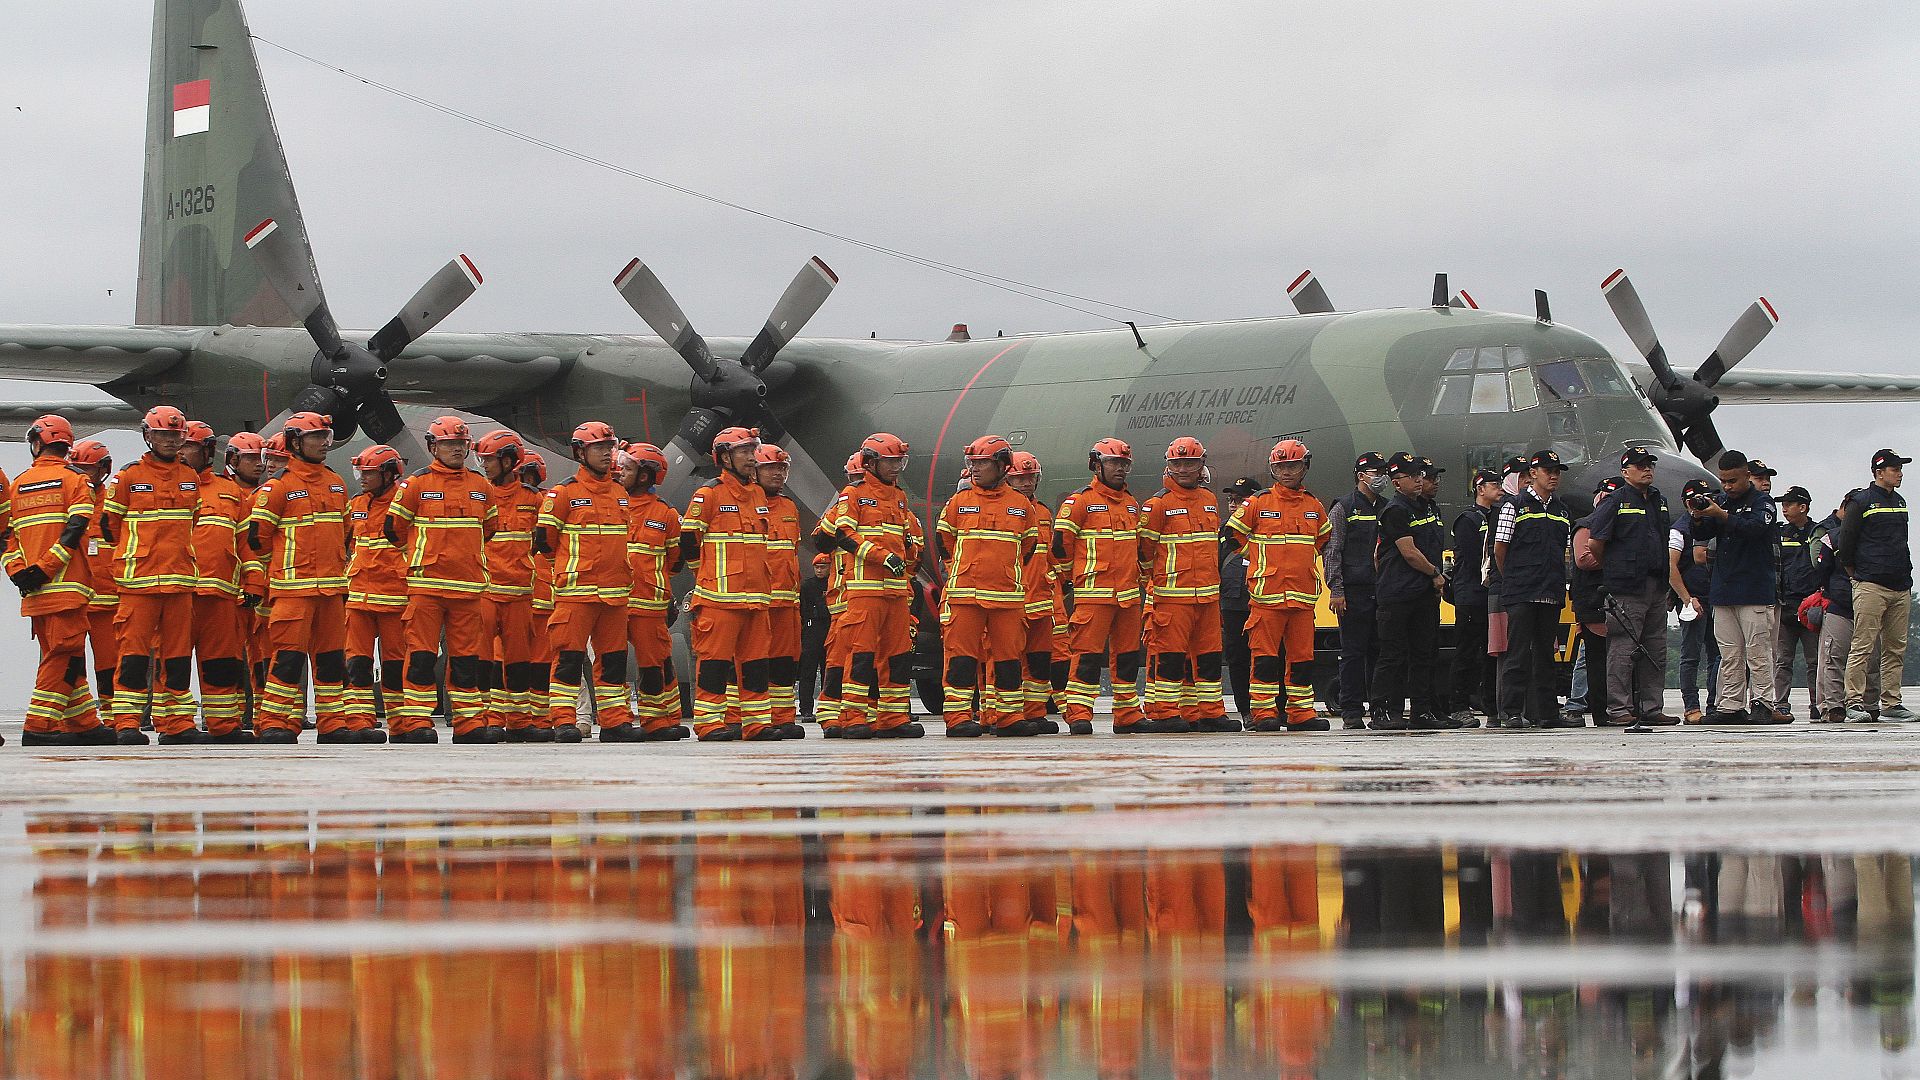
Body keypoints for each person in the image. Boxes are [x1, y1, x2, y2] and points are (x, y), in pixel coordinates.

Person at [246, 412, 366, 743]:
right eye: (317, 438)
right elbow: (257, 539)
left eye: (326, 437)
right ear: (296, 442)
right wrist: (280, 570)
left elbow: (345, 531)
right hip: (292, 591)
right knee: (287, 660)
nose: (324, 444)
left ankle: (332, 724)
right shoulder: (278, 486)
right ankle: (273, 723)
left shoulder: (336, 482)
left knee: (330, 662)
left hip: (330, 590)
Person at [385, 416, 499, 744]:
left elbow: (489, 528)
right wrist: (424, 555)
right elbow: (393, 529)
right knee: (421, 654)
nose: (456, 450)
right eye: (449, 444)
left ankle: (468, 723)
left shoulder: (481, 486)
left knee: (466, 658)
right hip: (427, 586)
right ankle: (417, 721)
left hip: (467, 587)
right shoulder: (416, 484)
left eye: (461, 444)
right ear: (433, 446)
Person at [4, 415, 112, 746]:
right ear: (66, 446)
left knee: (64, 652)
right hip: (66, 588)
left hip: (33, 591)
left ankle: (83, 722)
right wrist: (47, 568)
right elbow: (76, 528)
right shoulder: (74, 480)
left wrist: (20, 573)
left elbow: (9, 538)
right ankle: (38, 725)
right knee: (64, 654)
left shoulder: (18, 484)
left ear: (36, 444)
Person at [98, 405, 202, 742]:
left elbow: (194, 523)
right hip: (138, 583)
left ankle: (177, 724)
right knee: (132, 657)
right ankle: (126, 723)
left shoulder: (190, 478)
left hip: (179, 581)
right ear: (149, 435)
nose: (170, 441)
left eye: (175, 435)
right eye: (163, 435)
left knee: (177, 658)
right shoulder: (128, 477)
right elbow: (108, 527)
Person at [813, 433, 922, 738]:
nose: (896, 467)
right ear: (871, 462)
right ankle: (852, 716)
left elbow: (906, 540)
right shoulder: (853, 494)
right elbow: (844, 536)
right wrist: (882, 556)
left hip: (896, 590)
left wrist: (906, 554)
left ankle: (893, 717)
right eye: (890, 461)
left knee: (898, 655)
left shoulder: (900, 497)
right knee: (860, 655)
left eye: (899, 461)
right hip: (865, 588)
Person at [1222, 439, 1330, 732]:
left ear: (1304, 466)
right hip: (1267, 596)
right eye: (1281, 466)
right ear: (1273, 469)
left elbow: (1323, 538)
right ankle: (1264, 713)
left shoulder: (1313, 505)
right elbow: (1232, 535)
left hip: (1302, 598)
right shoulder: (1258, 502)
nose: (1286, 472)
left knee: (1302, 659)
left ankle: (1300, 713)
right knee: (1265, 658)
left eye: (1292, 465)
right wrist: (1256, 557)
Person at [537, 421, 635, 742]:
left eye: (610, 447)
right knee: (568, 659)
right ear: (581, 453)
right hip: (576, 594)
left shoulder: (621, 493)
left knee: (613, 663)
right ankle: (564, 720)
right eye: (599, 448)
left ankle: (614, 721)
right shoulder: (564, 493)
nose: (607, 454)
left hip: (615, 595)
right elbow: (546, 541)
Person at [936, 435, 1039, 736]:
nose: (976, 469)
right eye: (973, 463)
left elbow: (1028, 546)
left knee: (1008, 660)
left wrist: (1004, 571)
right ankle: (957, 718)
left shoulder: (1021, 505)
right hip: (966, 594)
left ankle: (1009, 718)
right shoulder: (959, 501)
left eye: (982, 463)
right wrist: (963, 570)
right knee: (962, 659)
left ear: (1002, 465)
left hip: (1006, 596)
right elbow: (944, 541)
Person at [681, 426, 775, 741]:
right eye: (744, 452)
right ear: (724, 457)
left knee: (756, 665)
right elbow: (688, 541)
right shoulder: (708, 494)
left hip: (756, 598)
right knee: (714, 665)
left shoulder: (759, 494)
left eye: (753, 450)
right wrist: (705, 574)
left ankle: (757, 724)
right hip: (719, 600)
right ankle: (709, 724)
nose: (752, 458)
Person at [1139, 437, 1231, 733]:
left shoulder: (1209, 500)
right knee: (1170, 658)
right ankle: (1166, 713)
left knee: (1209, 658)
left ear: (1202, 464)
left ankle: (1210, 713)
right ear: (1168, 465)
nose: (1183, 469)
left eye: (1189, 463)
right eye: (1177, 463)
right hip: (1172, 597)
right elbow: (1143, 552)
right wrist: (1155, 587)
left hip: (1207, 596)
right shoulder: (1157, 504)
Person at [1585, 447, 1681, 726]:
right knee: (1622, 649)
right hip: (1626, 588)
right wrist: (1616, 569)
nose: (1647, 469)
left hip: (1655, 585)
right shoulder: (1614, 501)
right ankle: (1619, 709)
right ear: (1625, 472)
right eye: (1640, 466)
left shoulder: (1658, 500)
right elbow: (1595, 543)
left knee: (1656, 649)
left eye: (1649, 465)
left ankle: (1652, 707)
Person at [1055, 438, 1145, 732]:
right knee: (1086, 656)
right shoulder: (1079, 501)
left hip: (1128, 596)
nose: (1120, 469)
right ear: (1097, 465)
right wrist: (1075, 577)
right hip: (1094, 595)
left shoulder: (1132, 505)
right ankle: (1079, 713)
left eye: (1124, 464)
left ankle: (1128, 714)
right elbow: (1060, 547)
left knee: (1128, 657)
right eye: (1114, 463)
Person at [1691, 449, 1780, 725]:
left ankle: (1764, 702)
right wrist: (1697, 516)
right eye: (1723, 481)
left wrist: (1723, 515)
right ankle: (1731, 705)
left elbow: (1753, 528)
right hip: (1723, 589)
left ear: (1746, 476)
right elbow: (1702, 533)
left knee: (1758, 651)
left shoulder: (1763, 503)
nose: (1727, 487)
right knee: (1729, 652)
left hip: (1753, 590)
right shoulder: (1720, 501)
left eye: (1732, 481)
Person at [184, 422, 258, 744]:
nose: (180, 450)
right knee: (173, 663)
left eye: (187, 445)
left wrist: (254, 582)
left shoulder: (228, 492)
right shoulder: (163, 486)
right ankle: (174, 726)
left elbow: (245, 543)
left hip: (220, 592)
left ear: (206, 451)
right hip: (178, 591)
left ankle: (224, 726)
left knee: (222, 663)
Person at [1493, 450, 1574, 730]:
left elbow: (1564, 550)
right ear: (1533, 474)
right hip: (1521, 591)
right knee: (1517, 653)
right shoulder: (1514, 505)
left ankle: (1547, 713)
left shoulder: (1562, 509)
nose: (1553, 476)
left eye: (1557, 471)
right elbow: (1500, 549)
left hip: (1550, 590)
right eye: (1548, 470)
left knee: (1546, 655)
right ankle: (1512, 712)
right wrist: (1515, 579)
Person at [476, 430, 549, 740]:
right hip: (485, 592)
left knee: (519, 662)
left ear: (508, 460)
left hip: (520, 593)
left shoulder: (534, 499)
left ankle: (518, 723)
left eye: (490, 460)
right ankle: (481, 721)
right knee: (481, 661)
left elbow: (549, 539)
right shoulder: (478, 494)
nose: (484, 466)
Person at [612, 441, 686, 741]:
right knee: (611, 664)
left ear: (644, 475)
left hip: (649, 603)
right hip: (612, 600)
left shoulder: (665, 514)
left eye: (627, 469)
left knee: (656, 664)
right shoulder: (608, 502)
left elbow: (675, 561)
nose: (619, 473)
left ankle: (658, 721)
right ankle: (616, 721)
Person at [1370, 452, 1449, 730]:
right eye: (1412, 476)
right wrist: (1436, 574)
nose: (1419, 480)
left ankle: (1422, 711)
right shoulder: (1396, 510)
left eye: (1420, 475)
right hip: (1398, 593)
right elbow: (1409, 552)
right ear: (1395, 482)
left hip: (1423, 594)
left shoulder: (1427, 508)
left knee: (1423, 654)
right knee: (1392, 654)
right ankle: (1381, 712)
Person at [1838, 449, 1912, 722]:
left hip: (1900, 584)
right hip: (1870, 584)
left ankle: (1892, 702)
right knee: (1863, 645)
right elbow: (1846, 543)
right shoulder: (1862, 501)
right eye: (1894, 469)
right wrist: (1856, 574)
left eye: (1900, 468)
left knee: (1895, 647)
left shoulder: (1901, 500)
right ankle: (1854, 702)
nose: (1900, 473)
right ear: (1879, 472)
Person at [344, 444, 408, 738]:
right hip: (358, 596)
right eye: (362, 473)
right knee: (357, 662)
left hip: (395, 597)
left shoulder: (403, 504)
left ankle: (400, 723)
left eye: (369, 473)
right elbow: (344, 543)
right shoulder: (356, 504)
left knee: (396, 665)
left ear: (389, 474)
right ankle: (359, 722)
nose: (362, 479)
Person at [1007, 451, 1071, 732]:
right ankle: (1001, 714)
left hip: (1045, 598)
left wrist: (1062, 578)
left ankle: (1035, 712)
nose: (1026, 483)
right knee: (1011, 658)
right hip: (1015, 595)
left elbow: (1051, 553)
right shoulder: (1004, 509)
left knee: (1042, 659)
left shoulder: (1043, 511)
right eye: (1019, 478)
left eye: (1030, 478)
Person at [1325, 453, 1387, 729]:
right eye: (1376, 472)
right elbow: (1333, 550)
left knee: (1380, 651)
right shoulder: (1344, 507)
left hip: (1383, 590)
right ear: (1361, 475)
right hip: (1353, 590)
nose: (1381, 477)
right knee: (1353, 652)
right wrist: (1336, 589)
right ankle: (1351, 710)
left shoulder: (1387, 507)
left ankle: (1379, 708)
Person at [754, 443, 808, 740]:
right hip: (757, 599)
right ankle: (749, 717)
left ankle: (783, 717)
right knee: (754, 661)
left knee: (785, 662)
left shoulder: (789, 507)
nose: (778, 474)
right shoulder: (747, 503)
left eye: (782, 468)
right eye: (771, 468)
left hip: (787, 601)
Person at [69, 440, 122, 733]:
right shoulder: (69, 500)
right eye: (80, 469)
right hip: (75, 599)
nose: (85, 475)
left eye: (89, 469)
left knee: (110, 665)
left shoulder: (113, 502)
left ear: (104, 469)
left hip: (108, 600)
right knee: (70, 664)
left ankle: (114, 719)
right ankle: (76, 719)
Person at [1447, 469, 1500, 725]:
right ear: (1480, 488)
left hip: (1492, 595)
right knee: (1465, 651)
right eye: (1494, 484)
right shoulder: (1468, 519)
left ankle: (1490, 704)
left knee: (1491, 653)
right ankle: (1458, 704)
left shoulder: (1499, 515)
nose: (1499, 487)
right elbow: (1472, 556)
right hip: (1471, 594)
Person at [1571, 477, 1623, 727]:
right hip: (1593, 601)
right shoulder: (1586, 526)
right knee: (1594, 659)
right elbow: (1583, 559)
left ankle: (1622, 707)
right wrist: (1619, 560)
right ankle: (1595, 710)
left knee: (1622, 656)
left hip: (1619, 598)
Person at [1481, 456, 1529, 728]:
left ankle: (1519, 708)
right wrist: (1509, 577)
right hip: (1503, 587)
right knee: (1504, 652)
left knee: (1520, 650)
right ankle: (1500, 712)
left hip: (1519, 587)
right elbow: (1498, 550)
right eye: (1521, 478)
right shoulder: (1503, 510)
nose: (1526, 483)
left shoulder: (1523, 506)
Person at [1772, 486, 1822, 720]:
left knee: (1815, 660)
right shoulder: (1779, 533)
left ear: (1803, 507)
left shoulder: (1818, 532)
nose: (1784, 508)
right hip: (1786, 606)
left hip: (1811, 607)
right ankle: (1780, 703)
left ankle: (1817, 703)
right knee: (1783, 660)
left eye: (1789, 504)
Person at [1671, 479, 1719, 723]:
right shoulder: (1679, 529)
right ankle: (1691, 706)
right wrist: (1687, 599)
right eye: (1694, 499)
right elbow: (1671, 567)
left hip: (1717, 597)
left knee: (1718, 655)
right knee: (1691, 655)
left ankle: (1714, 705)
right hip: (1694, 598)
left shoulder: (1715, 524)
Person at [1811, 491, 1860, 723]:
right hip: (1839, 604)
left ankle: (1867, 704)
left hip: (1865, 605)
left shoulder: (1873, 537)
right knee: (1833, 658)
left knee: (1868, 658)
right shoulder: (1831, 537)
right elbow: (1821, 570)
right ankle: (1833, 706)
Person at [1218, 476, 1259, 721]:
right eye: (1231, 500)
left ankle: (1274, 707)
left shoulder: (1265, 527)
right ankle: (1245, 710)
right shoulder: (1223, 530)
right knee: (1237, 657)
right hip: (1232, 601)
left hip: (1261, 598)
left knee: (1267, 656)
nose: (1234, 505)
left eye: (1240, 500)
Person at [798, 554, 832, 721]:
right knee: (808, 672)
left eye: (823, 567)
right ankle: (806, 709)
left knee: (829, 672)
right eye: (817, 567)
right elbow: (802, 610)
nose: (819, 570)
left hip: (829, 630)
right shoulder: (808, 586)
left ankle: (828, 706)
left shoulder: (833, 583)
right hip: (812, 632)